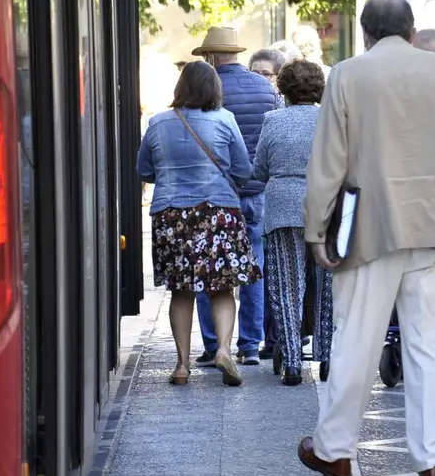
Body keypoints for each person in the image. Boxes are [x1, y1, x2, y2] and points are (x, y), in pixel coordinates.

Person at [297, 0, 435, 476]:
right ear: (412, 32)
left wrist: (315, 228)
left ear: (367, 33)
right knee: (430, 349)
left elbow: (329, 160)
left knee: (355, 342)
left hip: (369, 226)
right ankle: (433, 465)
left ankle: (335, 451)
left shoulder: (347, 75)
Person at [137, 61, 263, 387]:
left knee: (181, 291)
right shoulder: (224, 119)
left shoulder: (158, 122)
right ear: (213, 88)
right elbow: (243, 170)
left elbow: (144, 170)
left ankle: (181, 365)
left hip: (170, 215)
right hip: (218, 212)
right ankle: (223, 349)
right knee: (222, 288)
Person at [190, 27, 277, 368]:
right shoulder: (265, 88)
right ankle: (250, 344)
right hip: (256, 191)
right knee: (254, 269)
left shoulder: (204, 91)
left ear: (210, 56)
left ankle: (214, 344)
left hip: (214, 194)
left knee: (208, 269)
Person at [252, 59, 333, 386]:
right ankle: (326, 355)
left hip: (283, 206)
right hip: (325, 206)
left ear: (283, 87)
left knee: (287, 287)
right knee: (327, 286)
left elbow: (260, 170)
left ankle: (293, 362)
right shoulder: (330, 120)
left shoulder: (272, 120)